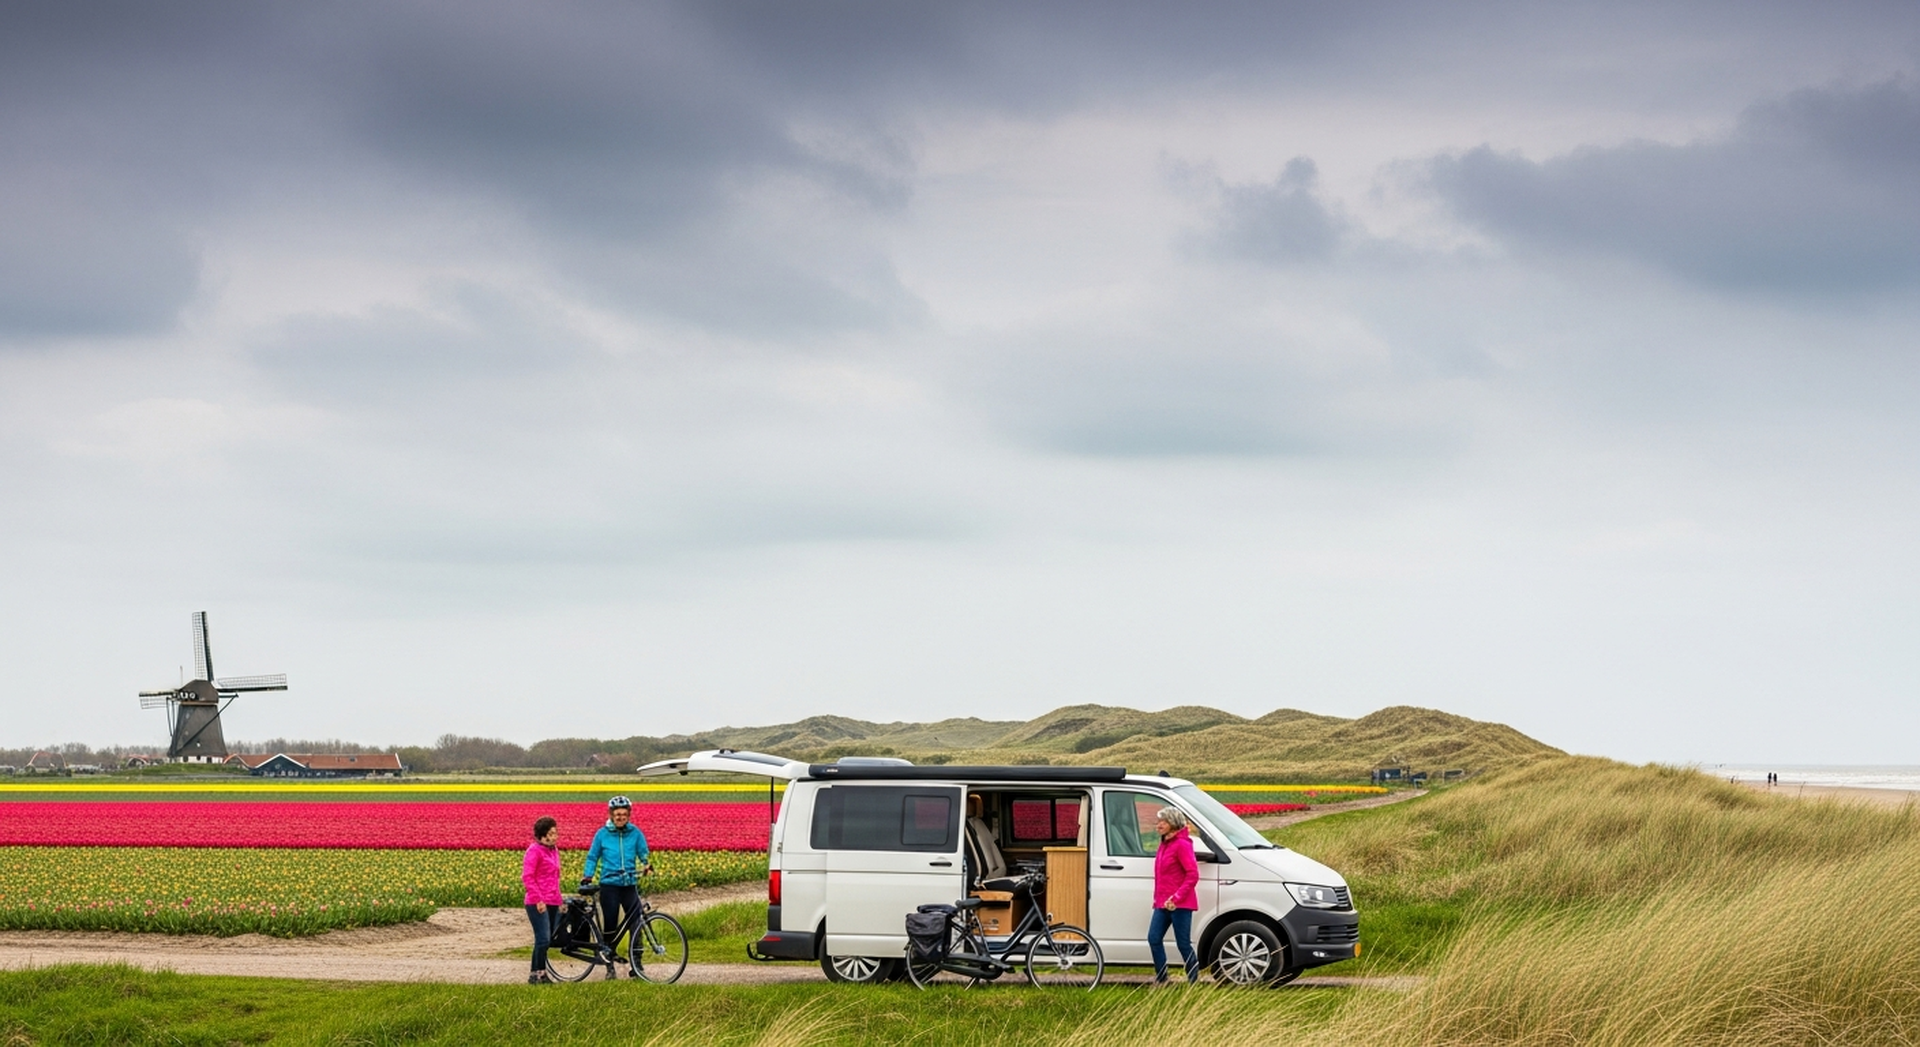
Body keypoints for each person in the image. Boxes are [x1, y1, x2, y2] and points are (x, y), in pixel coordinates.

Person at [582, 794, 651, 978]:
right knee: (610, 926)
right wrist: (588, 875)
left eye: (624, 814)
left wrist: (646, 864)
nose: (620, 817)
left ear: (629, 815)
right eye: (617, 814)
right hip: (609, 885)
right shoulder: (602, 834)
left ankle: (637, 965)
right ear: (611, 815)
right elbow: (592, 856)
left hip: (629, 884)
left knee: (636, 923)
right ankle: (609, 966)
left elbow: (644, 852)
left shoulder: (635, 833)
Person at [1149, 806, 1200, 985]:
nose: (1159, 825)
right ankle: (1162, 979)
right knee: (1153, 938)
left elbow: (1193, 874)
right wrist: (1159, 900)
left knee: (1183, 944)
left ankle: (1194, 981)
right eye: (1158, 821)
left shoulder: (1182, 845)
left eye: (1163, 821)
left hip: (1181, 904)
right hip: (1162, 903)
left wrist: (1176, 897)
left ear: (1172, 823)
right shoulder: (1165, 844)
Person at [522, 816, 563, 984]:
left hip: (553, 900)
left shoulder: (554, 850)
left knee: (547, 940)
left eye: (555, 833)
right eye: (551, 833)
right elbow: (527, 877)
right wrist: (539, 899)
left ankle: (538, 973)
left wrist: (560, 901)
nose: (555, 836)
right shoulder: (534, 851)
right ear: (542, 836)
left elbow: (555, 877)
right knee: (543, 938)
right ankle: (537, 974)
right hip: (537, 901)